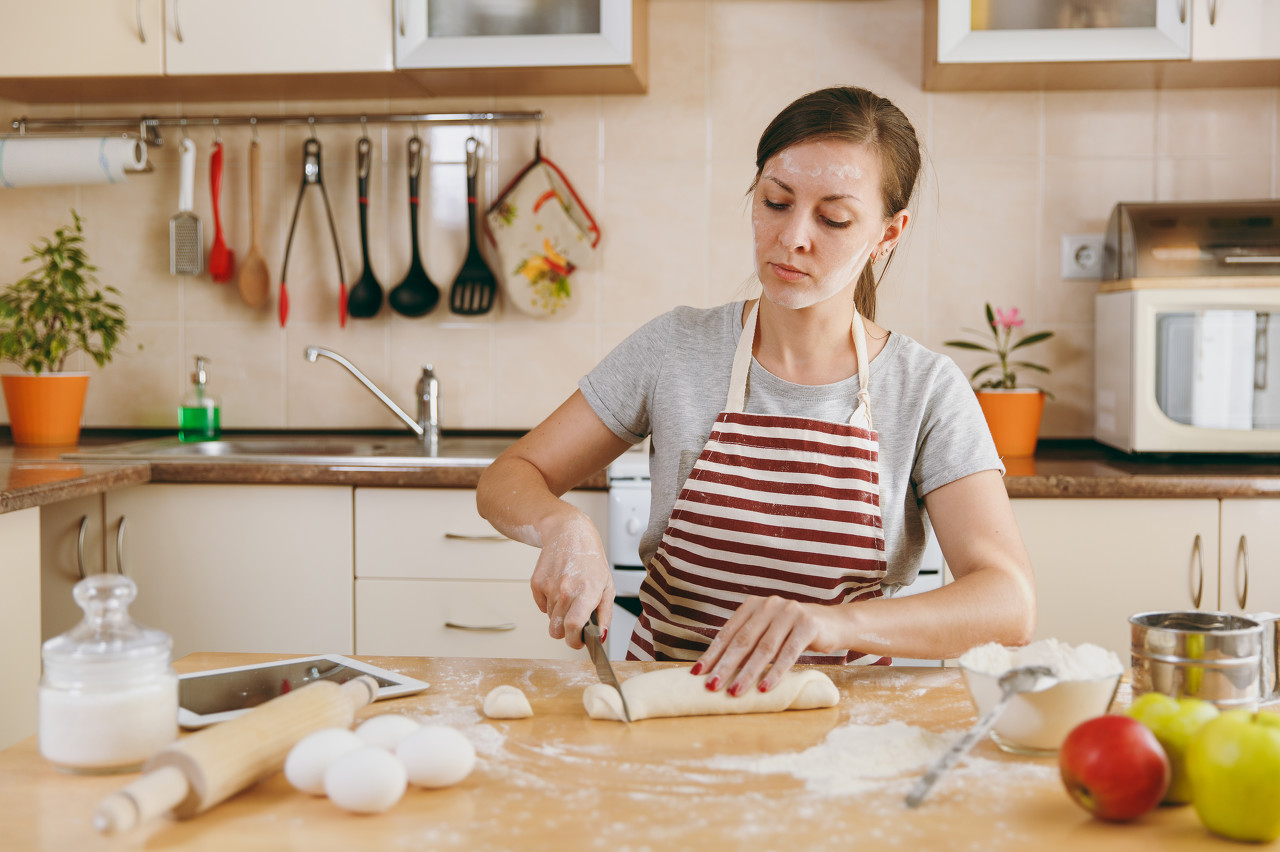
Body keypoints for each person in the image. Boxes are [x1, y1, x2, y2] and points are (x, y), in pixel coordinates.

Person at [476, 86, 1036, 697]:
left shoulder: (924, 388)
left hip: (844, 723)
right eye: (776, 202)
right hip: (666, 701)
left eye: (834, 219)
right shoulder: (676, 347)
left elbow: (1008, 603)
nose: (793, 236)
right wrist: (563, 527)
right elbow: (509, 476)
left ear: (888, 233)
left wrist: (830, 623)